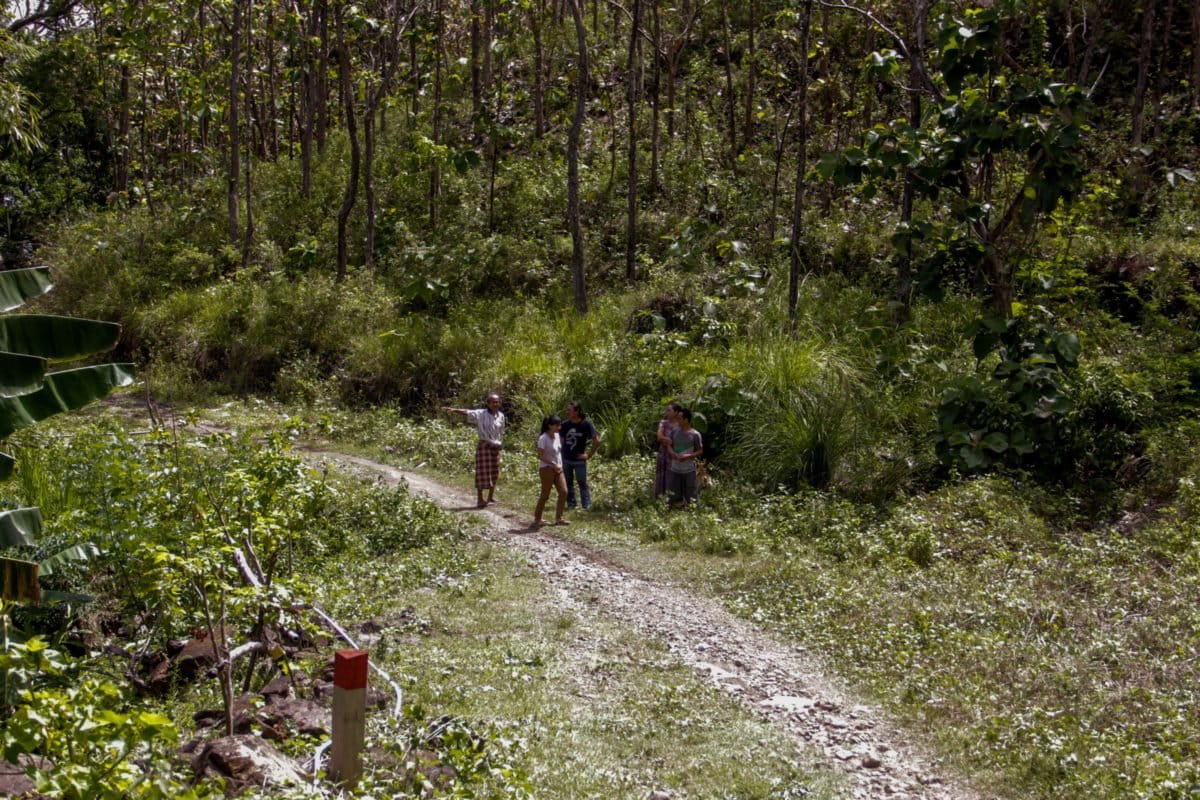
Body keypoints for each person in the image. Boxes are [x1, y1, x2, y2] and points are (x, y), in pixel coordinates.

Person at [442, 393, 505, 508]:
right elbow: (467, 412)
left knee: (494, 472)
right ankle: (480, 499)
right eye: (493, 402)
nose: (496, 404)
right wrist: (453, 410)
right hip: (484, 446)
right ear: (488, 403)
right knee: (482, 472)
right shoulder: (481, 414)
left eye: (497, 402)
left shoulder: (501, 416)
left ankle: (490, 497)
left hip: (495, 447)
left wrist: (500, 444)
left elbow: (501, 432)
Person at [561, 401, 601, 510]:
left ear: (577, 411)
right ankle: (571, 504)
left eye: (569, 410)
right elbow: (561, 441)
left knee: (582, 482)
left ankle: (586, 505)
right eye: (567, 409)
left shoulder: (586, 424)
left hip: (579, 459)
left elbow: (596, 441)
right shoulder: (564, 424)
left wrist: (588, 455)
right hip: (566, 458)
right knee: (568, 482)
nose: (567, 412)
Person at [534, 415, 569, 527]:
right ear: (550, 426)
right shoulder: (543, 438)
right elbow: (540, 456)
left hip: (558, 468)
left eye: (560, 425)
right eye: (557, 425)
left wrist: (558, 465)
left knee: (564, 492)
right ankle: (537, 518)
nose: (559, 427)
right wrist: (552, 464)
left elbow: (558, 452)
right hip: (547, 469)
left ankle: (559, 518)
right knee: (545, 495)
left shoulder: (558, 436)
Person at [668, 407, 703, 507]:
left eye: (679, 418)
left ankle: (693, 511)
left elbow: (700, 451)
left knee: (691, 493)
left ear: (686, 420)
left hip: (689, 470)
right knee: (674, 493)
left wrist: (688, 455)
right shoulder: (674, 431)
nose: (677, 420)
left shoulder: (695, 434)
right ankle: (677, 510)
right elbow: (669, 446)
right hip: (675, 468)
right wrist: (673, 453)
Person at [654, 402, 682, 499]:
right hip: (663, 453)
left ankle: (673, 499)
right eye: (667, 410)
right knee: (662, 474)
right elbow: (659, 436)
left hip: (675, 454)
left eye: (669, 410)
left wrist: (668, 441)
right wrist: (669, 440)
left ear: (676, 412)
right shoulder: (663, 423)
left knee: (673, 475)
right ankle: (660, 497)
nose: (667, 412)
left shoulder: (681, 425)